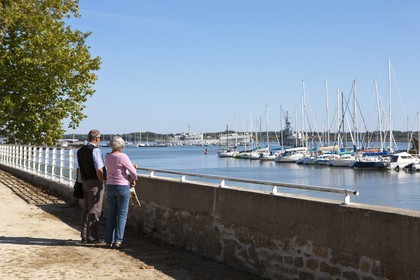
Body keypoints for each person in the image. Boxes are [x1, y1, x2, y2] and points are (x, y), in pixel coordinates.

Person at [105, 136, 138, 248]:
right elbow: (133, 173)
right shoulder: (123, 156)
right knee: (122, 214)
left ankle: (108, 240)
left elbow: (115, 167)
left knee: (112, 214)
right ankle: (118, 241)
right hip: (122, 187)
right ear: (122, 145)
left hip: (110, 186)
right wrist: (132, 180)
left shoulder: (107, 156)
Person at [77, 129, 106, 244]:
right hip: (94, 182)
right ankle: (92, 237)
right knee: (95, 210)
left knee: (86, 209)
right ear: (97, 138)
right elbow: (99, 169)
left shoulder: (81, 150)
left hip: (84, 182)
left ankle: (84, 234)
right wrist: (101, 181)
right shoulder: (95, 150)